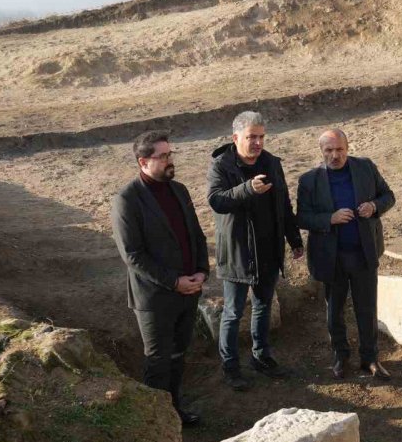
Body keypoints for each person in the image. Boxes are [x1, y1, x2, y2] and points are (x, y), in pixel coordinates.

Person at [111, 130, 209, 425]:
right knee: (158, 361)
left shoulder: (179, 190)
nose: (169, 161)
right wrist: (174, 281)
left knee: (179, 355)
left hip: (189, 291)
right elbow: (133, 255)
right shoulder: (127, 200)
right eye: (162, 156)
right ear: (143, 161)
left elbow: (197, 235)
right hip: (155, 298)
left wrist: (202, 271)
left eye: (170, 154)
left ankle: (175, 411)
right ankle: (154, 425)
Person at [207, 111, 304, 391]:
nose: (258, 142)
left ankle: (261, 357)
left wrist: (294, 238)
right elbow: (216, 201)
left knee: (263, 305)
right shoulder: (221, 165)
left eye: (261, 136)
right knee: (234, 312)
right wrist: (247, 189)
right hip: (238, 251)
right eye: (252, 137)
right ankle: (231, 366)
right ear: (236, 137)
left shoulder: (271, 163)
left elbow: (283, 202)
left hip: (268, 250)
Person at [297, 128, 396, 378]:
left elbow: (389, 196)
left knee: (367, 308)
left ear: (347, 148)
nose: (335, 155)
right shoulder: (308, 180)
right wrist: (329, 218)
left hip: (363, 253)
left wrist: (374, 206)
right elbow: (302, 217)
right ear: (321, 151)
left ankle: (370, 358)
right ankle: (340, 356)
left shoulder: (365, 168)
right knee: (335, 311)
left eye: (339, 149)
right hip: (332, 258)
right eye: (329, 150)